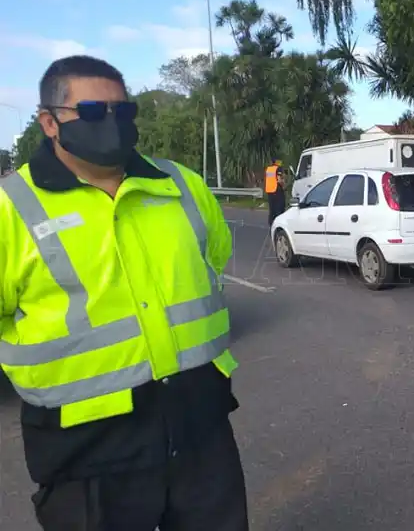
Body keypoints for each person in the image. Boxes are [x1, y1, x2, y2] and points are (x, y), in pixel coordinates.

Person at [0, 55, 248, 530]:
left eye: (123, 112)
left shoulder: (182, 185)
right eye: (92, 112)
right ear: (49, 122)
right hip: (87, 454)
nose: (111, 123)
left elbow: (213, 259)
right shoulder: (12, 209)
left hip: (200, 432)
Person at [265, 159, 287, 225]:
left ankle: (271, 224)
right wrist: (284, 186)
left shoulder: (268, 169)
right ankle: (279, 224)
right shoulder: (278, 168)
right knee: (279, 209)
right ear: (276, 162)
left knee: (272, 210)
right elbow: (279, 180)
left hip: (269, 192)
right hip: (277, 191)